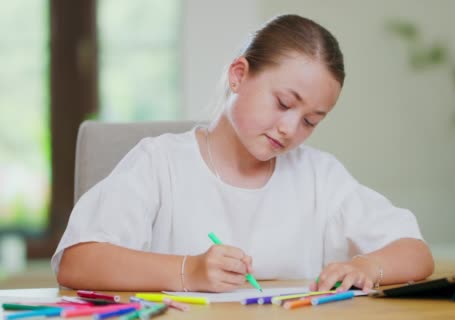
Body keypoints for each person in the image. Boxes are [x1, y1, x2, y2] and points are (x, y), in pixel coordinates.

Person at [53, 14, 434, 294]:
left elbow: (415, 253)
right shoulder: (161, 163)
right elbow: (77, 261)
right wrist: (190, 270)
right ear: (238, 75)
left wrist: (368, 265)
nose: (290, 129)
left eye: (311, 121)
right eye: (284, 102)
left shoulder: (320, 176)